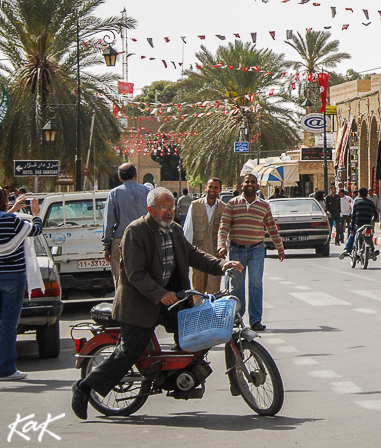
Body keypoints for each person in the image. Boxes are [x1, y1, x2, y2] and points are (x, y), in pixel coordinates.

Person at [71, 188, 242, 420]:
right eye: (164, 208)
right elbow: (135, 274)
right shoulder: (136, 231)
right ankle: (84, 387)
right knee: (129, 352)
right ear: (151, 209)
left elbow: (192, 254)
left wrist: (221, 264)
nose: (169, 212)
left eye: (172, 208)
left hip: (171, 298)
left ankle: (177, 377)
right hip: (140, 302)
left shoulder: (174, 230)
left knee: (193, 333)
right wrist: (160, 293)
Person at [218, 174, 284, 332]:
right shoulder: (232, 204)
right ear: (242, 185)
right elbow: (224, 226)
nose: (250, 184)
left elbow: (271, 227)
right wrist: (222, 245)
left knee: (255, 284)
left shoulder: (264, 206)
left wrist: (279, 247)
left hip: (256, 250)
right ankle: (238, 318)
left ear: (257, 186)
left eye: (253, 182)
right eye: (247, 182)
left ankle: (255, 321)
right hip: (236, 250)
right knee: (237, 287)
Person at [0, 192, 42, 382]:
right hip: (13, 278)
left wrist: (12, 209)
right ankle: (6, 369)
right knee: (8, 324)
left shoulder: (10, 217)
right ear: (4, 201)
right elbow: (35, 230)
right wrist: (36, 214)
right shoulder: (13, 222)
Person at [102, 163, 151, 287]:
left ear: (120, 177)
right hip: (144, 240)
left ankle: (122, 305)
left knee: (121, 281)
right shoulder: (147, 191)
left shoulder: (115, 194)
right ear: (136, 175)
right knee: (145, 278)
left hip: (121, 240)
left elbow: (109, 222)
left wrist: (107, 245)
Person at [182, 177, 225, 296]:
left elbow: (226, 232)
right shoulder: (195, 206)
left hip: (215, 258)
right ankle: (198, 314)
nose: (212, 190)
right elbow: (188, 230)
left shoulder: (224, 208)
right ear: (206, 188)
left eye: (215, 188)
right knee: (197, 291)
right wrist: (186, 254)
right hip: (198, 257)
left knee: (213, 293)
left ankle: (210, 315)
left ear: (220, 190)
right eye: (210, 187)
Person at [339, 187, 379, 260]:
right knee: (369, 237)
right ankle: (372, 250)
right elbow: (376, 214)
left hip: (358, 224)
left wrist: (351, 228)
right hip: (368, 224)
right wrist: (373, 219)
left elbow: (353, 216)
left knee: (352, 234)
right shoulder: (371, 203)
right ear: (367, 194)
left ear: (359, 194)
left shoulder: (357, 202)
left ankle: (347, 249)